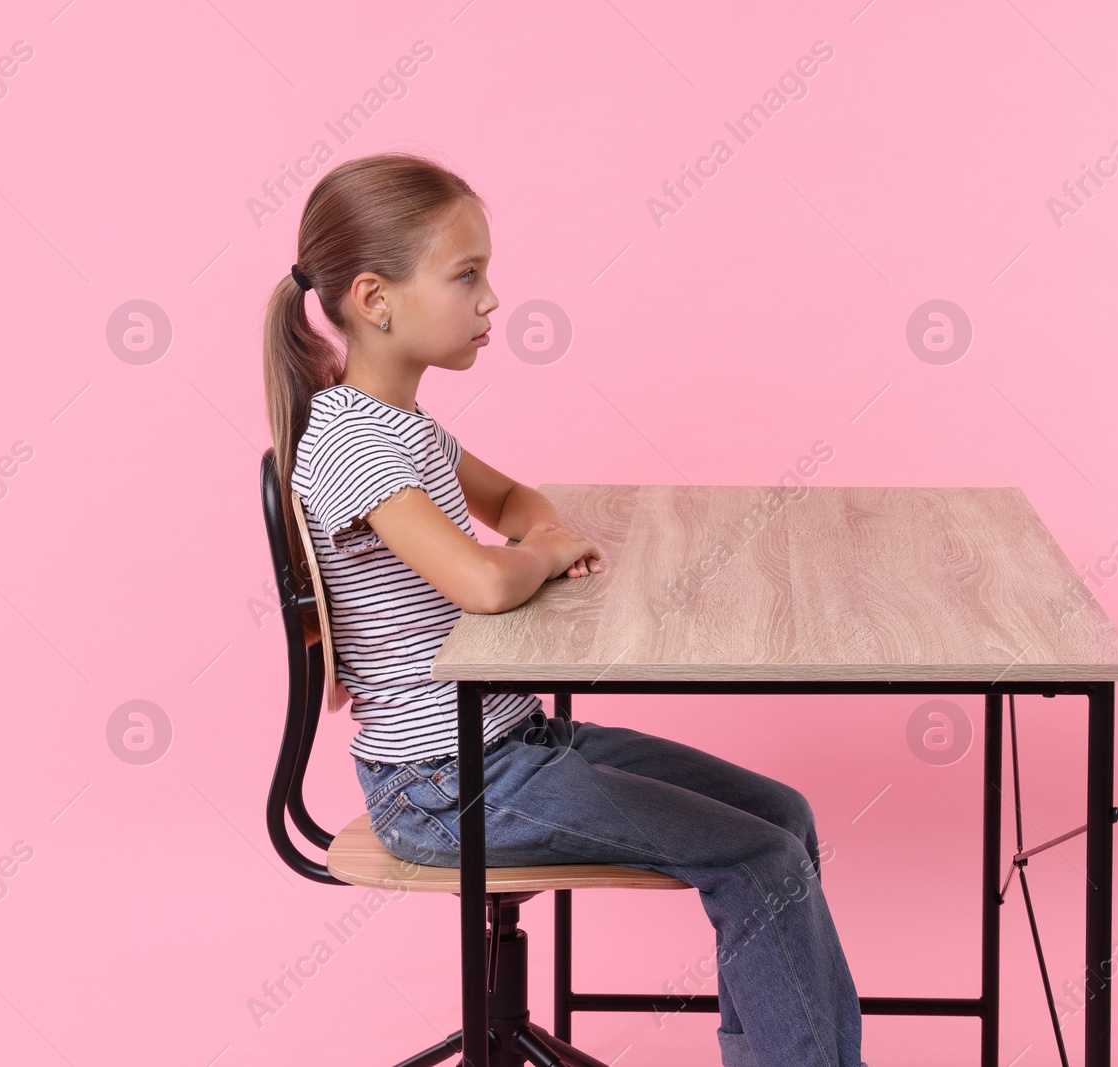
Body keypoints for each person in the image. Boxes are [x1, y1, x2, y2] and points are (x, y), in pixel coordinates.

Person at [261, 150, 868, 1067]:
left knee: (782, 816)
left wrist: (534, 536)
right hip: (442, 784)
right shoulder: (350, 443)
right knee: (758, 862)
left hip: (511, 741)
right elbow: (483, 580)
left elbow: (517, 504)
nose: (492, 300)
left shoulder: (404, 427)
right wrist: (541, 553)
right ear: (375, 299)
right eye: (466, 276)